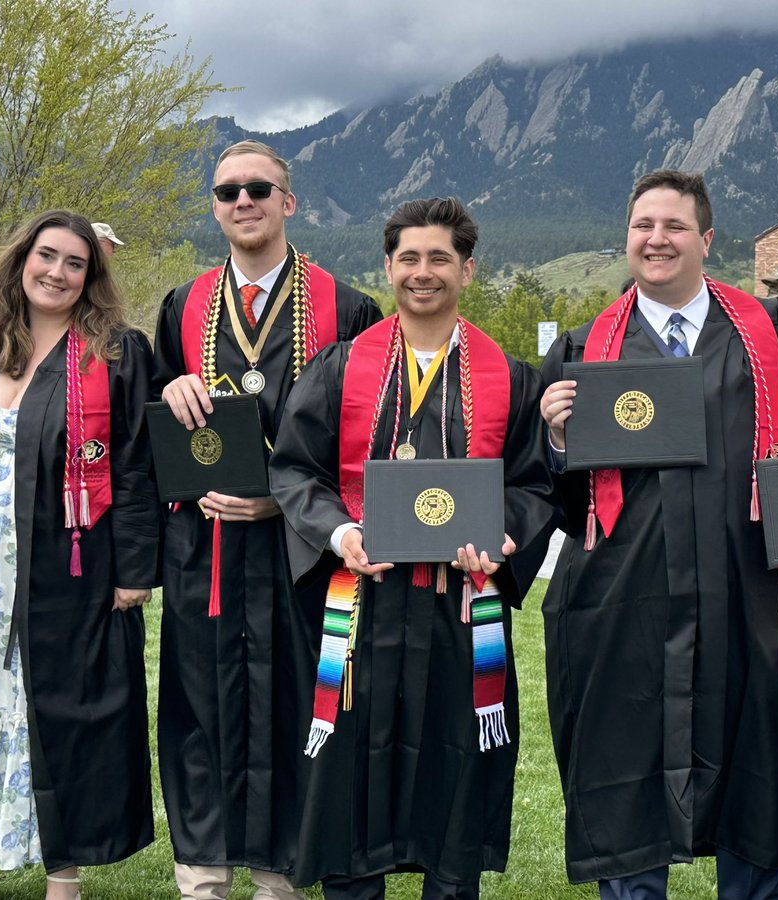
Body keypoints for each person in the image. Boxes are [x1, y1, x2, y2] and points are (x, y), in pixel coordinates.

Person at [270, 197, 557, 899]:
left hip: (459, 614)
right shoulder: (341, 368)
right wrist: (342, 534)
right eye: (409, 258)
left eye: (438, 258)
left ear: (467, 270)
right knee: (351, 787)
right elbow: (297, 470)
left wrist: (503, 536)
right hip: (362, 611)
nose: (422, 272)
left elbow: (534, 483)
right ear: (388, 266)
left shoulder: (510, 377)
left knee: (452, 783)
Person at [539, 170, 778, 899]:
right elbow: (557, 501)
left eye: (674, 226)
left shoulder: (772, 334)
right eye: (643, 226)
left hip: (747, 592)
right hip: (624, 598)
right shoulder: (583, 350)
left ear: (706, 239)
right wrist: (558, 442)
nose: (656, 240)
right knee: (624, 774)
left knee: (755, 769)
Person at [152, 140, 380, 900]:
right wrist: (173, 387)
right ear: (215, 208)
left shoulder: (348, 307)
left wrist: (284, 499)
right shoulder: (183, 306)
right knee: (200, 704)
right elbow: (159, 424)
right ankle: (203, 876)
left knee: (293, 698)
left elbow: (365, 439)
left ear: (289, 202)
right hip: (208, 548)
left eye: (258, 188)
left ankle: (279, 875)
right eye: (228, 192)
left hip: (301, 554)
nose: (243, 201)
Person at [0, 211, 158, 900]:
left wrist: (134, 570)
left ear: (92, 275)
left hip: (69, 559)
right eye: (46, 256)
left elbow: (137, 465)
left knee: (59, 702)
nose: (56, 272)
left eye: (74, 263)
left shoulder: (115, 353)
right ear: (22, 260)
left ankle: (64, 875)